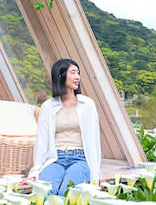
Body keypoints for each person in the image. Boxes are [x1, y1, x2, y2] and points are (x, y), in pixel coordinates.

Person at [28, 58, 102, 195]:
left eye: (78, 73)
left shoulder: (88, 105)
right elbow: (41, 142)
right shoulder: (48, 106)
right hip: (55, 158)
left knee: (67, 194)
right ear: (61, 76)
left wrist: (98, 173)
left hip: (80, 159)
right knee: (45, 193)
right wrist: (34, 172)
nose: (77, 77)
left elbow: (94, 140)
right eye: (73, 73)